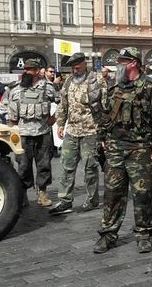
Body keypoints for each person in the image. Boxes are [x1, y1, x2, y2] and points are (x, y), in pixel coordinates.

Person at [93, 47, 152, 254]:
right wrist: (101, 138)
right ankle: (108, 235)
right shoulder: (112, 86)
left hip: (140, 149)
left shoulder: (150, 86)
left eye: (122, 61)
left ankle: (143, 234)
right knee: (112, 194)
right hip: (115, 148)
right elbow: (104, 114)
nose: (118, 64)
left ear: (133, 63)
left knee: (142, 193)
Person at [49, 53, 107, 215]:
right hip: (72, 131)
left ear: (84, 63)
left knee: (90, 167)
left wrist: (103, 132)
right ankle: (65, 201)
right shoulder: (68, 81)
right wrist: (60, 124)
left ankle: (92, 199)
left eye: (77, 65)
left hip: (90, 131)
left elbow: (105, 107)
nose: (75, 69)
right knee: (67, 166)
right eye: (72, 66)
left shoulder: (96, 80)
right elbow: (63, 104)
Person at [8, 59, 59, 207]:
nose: (27, 72)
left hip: (42, 133)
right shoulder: (16, 88)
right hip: (23, 135)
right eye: (26, 69)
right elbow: (10, 113)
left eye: (31, 69)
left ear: (38, 71)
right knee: (23, 166)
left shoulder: (48, 88)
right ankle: (23, 194)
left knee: (44, 166)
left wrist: (54, 118)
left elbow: (63, 103)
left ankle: (42, 193)